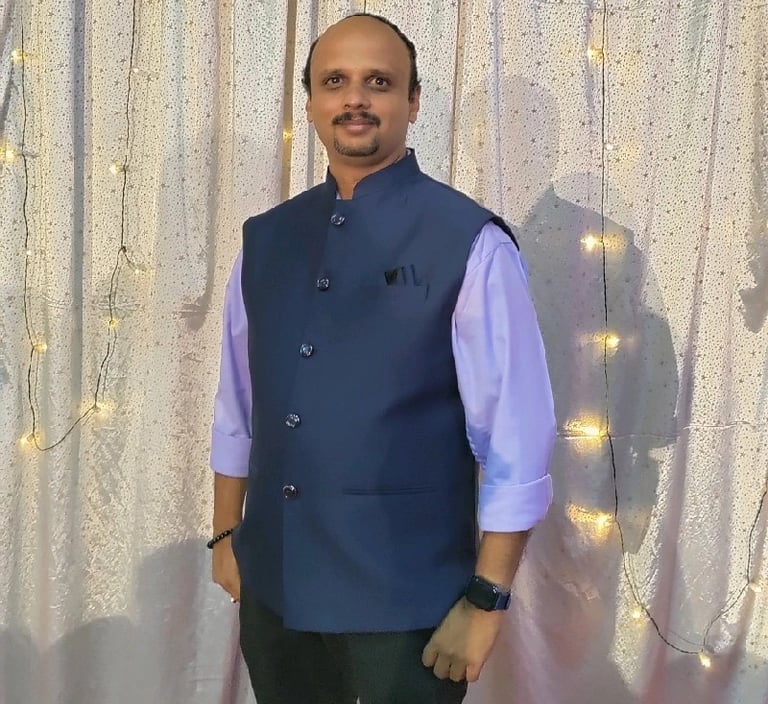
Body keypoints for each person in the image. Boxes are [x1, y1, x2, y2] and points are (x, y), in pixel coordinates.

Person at [208, 12, 555, 704]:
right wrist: (225, 535)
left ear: (413, 102)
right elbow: (238, 404)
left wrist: (487, 600)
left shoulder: (472, 242)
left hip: (409, 603)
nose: (355, 99)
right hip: (275, 586)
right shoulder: (266, 239)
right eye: (335, 81)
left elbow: (517, 436)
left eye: (380, 82)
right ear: (311, 102)